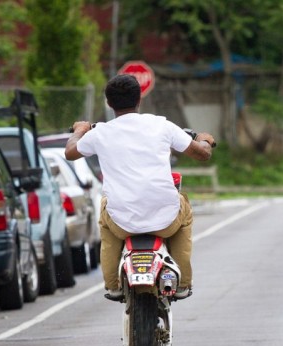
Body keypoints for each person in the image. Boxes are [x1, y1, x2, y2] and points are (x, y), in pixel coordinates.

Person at [65, 74, 214, 300]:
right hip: (166, 221)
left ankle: (113, 285)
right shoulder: (162, 126)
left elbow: (70, 152)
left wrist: (80, 129)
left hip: (122, 224)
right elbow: (202, 154)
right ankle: (183, 283)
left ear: (109, 103)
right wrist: (204, 139)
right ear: (139, 100)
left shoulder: (100, 133)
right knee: (184, 208)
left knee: (105, 211)